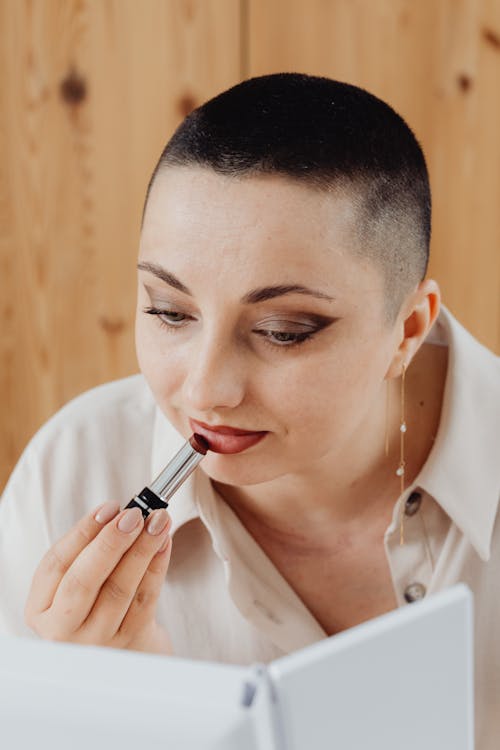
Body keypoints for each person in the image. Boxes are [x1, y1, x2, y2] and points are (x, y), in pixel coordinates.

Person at [0, 73, 499, 746]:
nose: (205, 390)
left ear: (407, 331)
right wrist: (124, 718)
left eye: (283, 331)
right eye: (169, 312)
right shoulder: (71, 473)